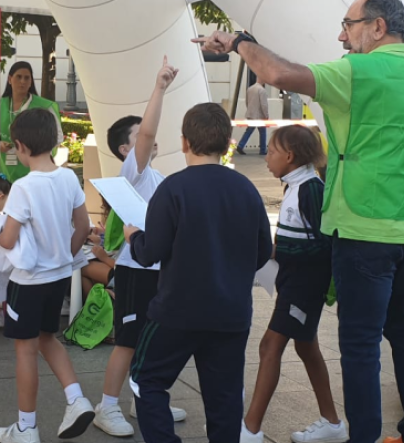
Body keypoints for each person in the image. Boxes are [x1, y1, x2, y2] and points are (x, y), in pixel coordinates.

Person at [197, 0, 404, 441]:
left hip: (363, 231)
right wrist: (402, 151)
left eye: (349, 26)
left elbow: (279, 74)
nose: (343, 37)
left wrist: (239, 42)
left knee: (360, 346)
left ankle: (362, 436)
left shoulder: (355, 74)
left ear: (378, 27)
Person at [123, 102, 272, 443]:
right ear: (228, 143)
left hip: (177, 310)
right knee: (225, 396)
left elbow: (149, 253)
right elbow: (263, 252)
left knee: (146, 380)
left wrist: (134, 236)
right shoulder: (246, 189)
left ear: (184, 142)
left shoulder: (173, 189)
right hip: (231, 313)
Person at [92, 58, 189, 438]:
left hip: (158, 269)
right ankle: (107, 406)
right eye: (138, 135)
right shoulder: (133, 172)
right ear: (124, 149)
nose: (147, 135)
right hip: (136, 270)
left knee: (152, 339)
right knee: (128, 342)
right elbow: (147, 135)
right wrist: (160, 87)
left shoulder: (159, 177)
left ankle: (142, 399)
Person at [0, 108, 94, 443]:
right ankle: (76, 398)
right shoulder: (67, 178)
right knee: (48, 339)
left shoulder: (22, 187)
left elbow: (7, 239)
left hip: (28, 280)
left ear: (19, 146)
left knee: (25, 349)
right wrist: (65, 254)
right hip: (59, 277)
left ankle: (26, 427)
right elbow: (83, 226)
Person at [242, 125, 346, 443]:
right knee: (306, 346)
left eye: (271, 152)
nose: (266, 159)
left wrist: (277, 251)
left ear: (290, 155)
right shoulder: (294, 186)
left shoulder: (310, 188)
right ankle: (332, 423)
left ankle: (250, 430)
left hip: (304, 287)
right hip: (292, 284)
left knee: (269, 346)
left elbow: (326, 245)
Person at [0, 61, 63, 183]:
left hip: (36, 171)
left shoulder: (45, 106)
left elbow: (58, 137)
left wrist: (36, 151)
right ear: (9, 79)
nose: (23, 81)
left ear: (31, 82)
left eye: (27, 78)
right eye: (19, 77)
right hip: (4, 170)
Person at [239, 73, 270, 155]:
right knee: (263, 132)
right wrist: (266, 115)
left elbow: (247, 102)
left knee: (248, 131)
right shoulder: (262, 90)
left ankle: (240, 145)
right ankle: (263, 150)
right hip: (259, 116)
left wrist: (250, 110)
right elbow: (264, 104)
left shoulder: (250, 89)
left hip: (251, 114)